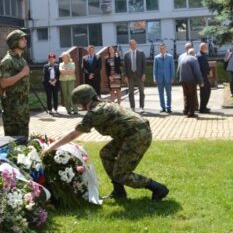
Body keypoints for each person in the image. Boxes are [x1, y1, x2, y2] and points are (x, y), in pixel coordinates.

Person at [41, 84, 169, 201]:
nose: (79, 106)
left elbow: (73, 134)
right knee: (106, 153)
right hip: (129, 134)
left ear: (84, 101)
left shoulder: (96, 112)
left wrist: (51, 148)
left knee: (121, 174)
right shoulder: (101, 105)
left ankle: (158, 188)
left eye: (79, 103)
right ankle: (119, 191)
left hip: (137, 136)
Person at [0, 30, 30, 138]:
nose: (25, 40)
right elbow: (3, 83)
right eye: (22, 39)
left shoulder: (22, 60)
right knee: (13, 141)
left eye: (25, 38)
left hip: (23, 106)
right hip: (12, 109)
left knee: (24, 139)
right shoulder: (8, 61)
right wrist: (22, 73)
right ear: (14, 42)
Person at [178, 49, 203, 118]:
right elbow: (197, 71)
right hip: (191, 81)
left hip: (183, 80)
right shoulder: (194, 59)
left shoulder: (183, 59)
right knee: (192, 96)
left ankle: (186, 110)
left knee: (186, 96)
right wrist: (200, 81)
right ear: (193, 53)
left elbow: (179, 70)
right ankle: (191, 112)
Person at [123, 39, 146, 112]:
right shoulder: (126, 54)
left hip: (139, 75)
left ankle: (141, 107)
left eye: (134, 44)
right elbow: (125, 66)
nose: (133, 45)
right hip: (130, 75)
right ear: (129, 45)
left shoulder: (141, 53)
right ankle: (132, 107)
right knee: (130, 92)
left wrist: (144, 74)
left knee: (141, 91)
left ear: (136, 44)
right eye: (131, 44)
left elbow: (144, 65)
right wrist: (125, 76)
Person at [153, 43, 174, 113]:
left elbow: (172, 68)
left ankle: (169, 107)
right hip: (159, 79)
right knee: (160, 94)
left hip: (168, 78)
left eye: (163, 48)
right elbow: (155, 69)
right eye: (161, 48)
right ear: (159, 49)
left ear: (166, 48)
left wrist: (172, 77)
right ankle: (163, 107)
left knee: (168, 93)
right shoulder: (156, 57)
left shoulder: (170, 57)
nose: (162, 50)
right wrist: (154, 78)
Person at [196, 42, 212, 113]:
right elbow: (204, 67)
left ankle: (203, 106)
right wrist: (209, 72)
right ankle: (202, 108)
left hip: (203, 76)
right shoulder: (201, 56)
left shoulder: (201, 54)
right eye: (206, 47)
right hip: (202, 76)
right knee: (205, 92)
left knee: (206, 91)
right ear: (202, 48)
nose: (207, 48)